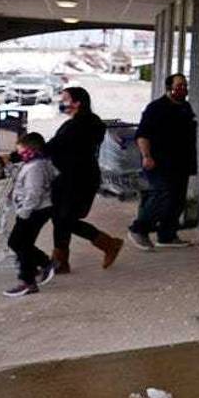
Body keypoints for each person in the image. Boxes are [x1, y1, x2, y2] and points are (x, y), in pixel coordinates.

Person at [45, 86, 124, 273]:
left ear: (77, 103)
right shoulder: (85, 123)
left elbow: (53, 147)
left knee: (65, 219)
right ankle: (61, 261)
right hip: (70, 178)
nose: (61, 103)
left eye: (64, 100)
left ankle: (108, 244)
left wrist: (23, 153)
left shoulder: (78, 125)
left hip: (78, 180)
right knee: (59, 217)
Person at [127, 73, 197, 250]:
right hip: (159, 163)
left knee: (177, 200)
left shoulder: (185, 107)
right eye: (179, 86)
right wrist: (146, 156)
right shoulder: (156, 108)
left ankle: (167, 235)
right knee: (162, 195)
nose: (183, 89)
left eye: (185, 86)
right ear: (168, 88)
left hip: (182, 163)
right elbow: (143, 135)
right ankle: (139, 229)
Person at [4, 132, 58, 297]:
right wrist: (8, 166)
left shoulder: (36, 167)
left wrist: (24, 213)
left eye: (21, 150)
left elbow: (34, 192)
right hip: (34, 209)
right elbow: (21, 178)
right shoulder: (31, 163)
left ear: (32, 149)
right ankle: (46, 263)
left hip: (35, 210)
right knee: (17, 242)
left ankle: (27, 281)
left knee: (21, 244)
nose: (19, 153)